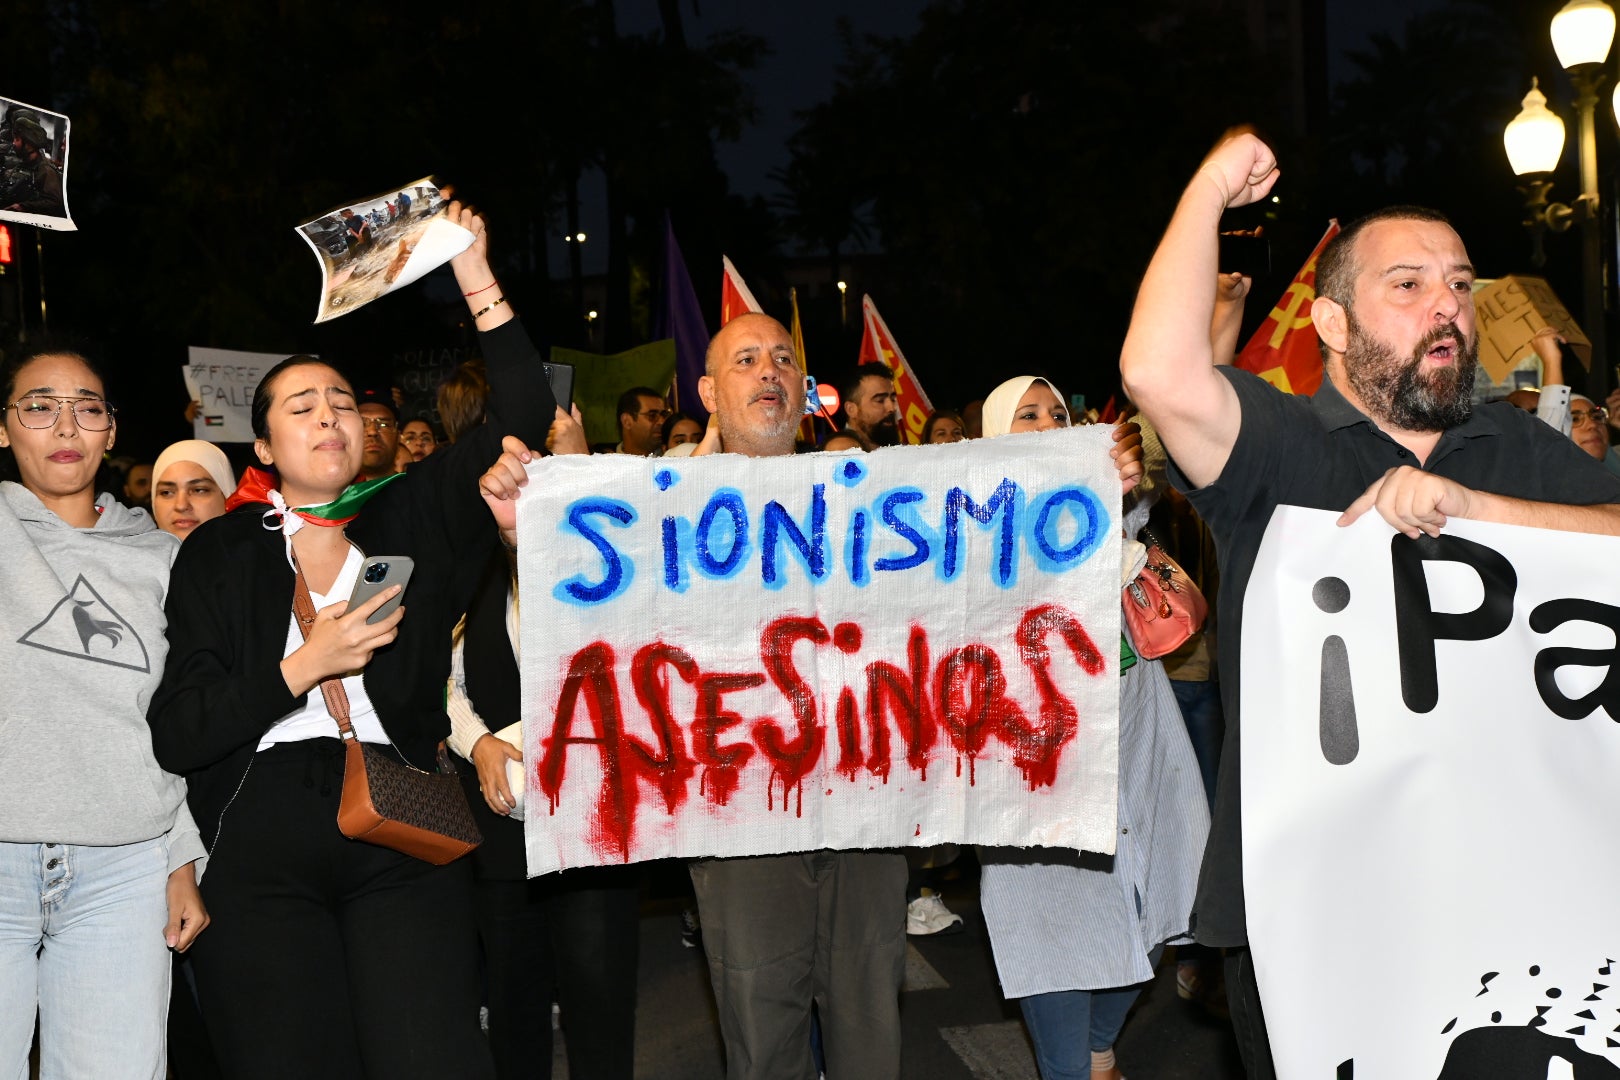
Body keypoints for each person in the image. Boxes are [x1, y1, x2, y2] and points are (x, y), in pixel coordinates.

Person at [1118, 129, 1620, 1078]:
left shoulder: (1515, 454)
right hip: (1318, 908)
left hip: (1517, 888)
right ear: (1335, 326)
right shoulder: (1285, 447)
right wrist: (1213, 182)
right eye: (1410, 286)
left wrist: (1481, 511)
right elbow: (1158, 372)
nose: (1449, 308)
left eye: (1461, 286)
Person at [146, 204, 557, 1079]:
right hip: (258, 831)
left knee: (433, 1055)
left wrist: (475, 273)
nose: (329, 414)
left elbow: (522, 408)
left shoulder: (408, 513)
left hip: (400, 820)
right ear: (262, 443)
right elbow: (180, 729)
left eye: (341, 401)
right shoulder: (221, 550)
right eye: (302, 404)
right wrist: (305, 666)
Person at [684, 313, 907, 1080]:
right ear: (711, 390)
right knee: (761, 1024)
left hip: (864, 803)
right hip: (741, 813)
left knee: (869, 1024)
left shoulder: (869, 497)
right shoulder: (663, 507)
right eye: (746, 360)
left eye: (783, 357)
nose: (769, 370)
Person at [977, 375, 1207, 1080]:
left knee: (1162, 902)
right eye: (1027, 415)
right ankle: (1072, 1065)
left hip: (1136, 741)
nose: (1050, 423)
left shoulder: (1114, 509)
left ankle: (1100, 1043)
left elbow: (1133, 528)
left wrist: (1120, 488)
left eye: (1057, 411)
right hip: (1034, 769)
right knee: (1051, 930)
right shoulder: (972, 531)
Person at [0, 346, 208, 1079]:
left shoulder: (166, 560)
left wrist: (181, 856)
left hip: (124, 868)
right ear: (4, 428)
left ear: (111, 431)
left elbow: (170, 723)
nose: (65, 424)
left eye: (87, 407)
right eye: (39, 405)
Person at [152, 439, 236, 540]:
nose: (181, 506)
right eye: (166, 492)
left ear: (227, 496)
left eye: (199, 490)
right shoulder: (131, 555)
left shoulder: (254, 554)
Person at [839, 362, 901, 449]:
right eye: (880, 401)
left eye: (893, 399)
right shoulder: (836, 454)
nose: (892, 408)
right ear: (851, 409)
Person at [356, 388, 401, 480]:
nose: (372, 431)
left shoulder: (421, 491)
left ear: (398, 437)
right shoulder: (330, 492)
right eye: (362, 424)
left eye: (383, 424)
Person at [613, 386, 669, 456]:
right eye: (652, 415)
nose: (662, 422)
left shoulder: (674, 459)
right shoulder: (607, 465)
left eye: (664, 415)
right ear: (626, 421)